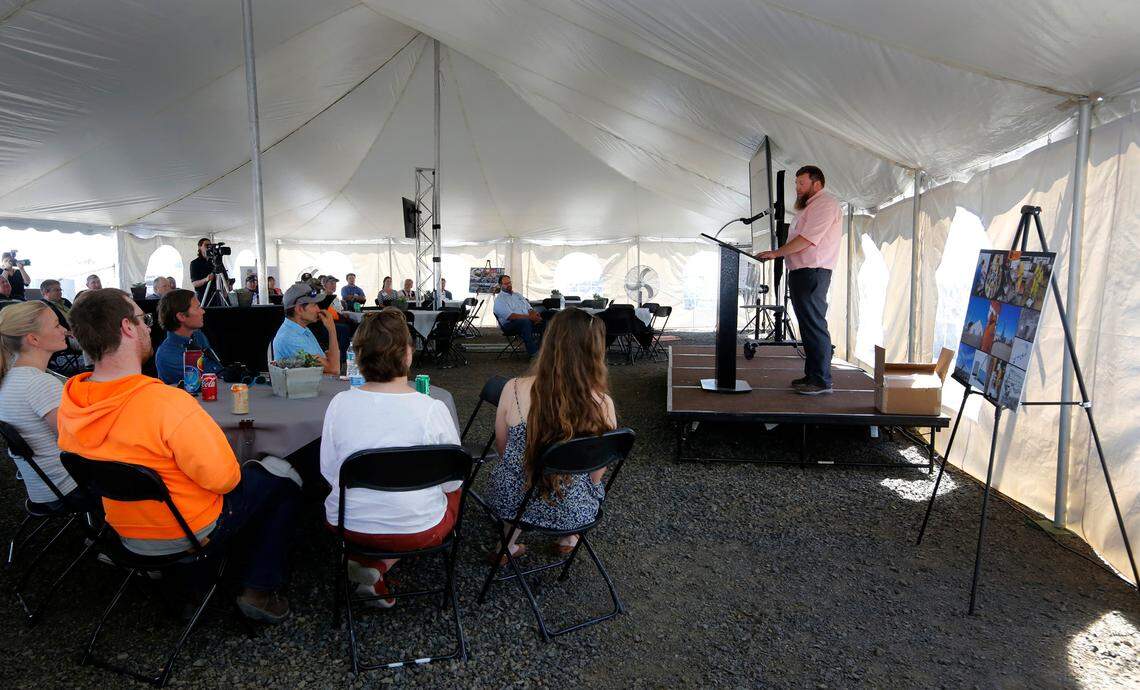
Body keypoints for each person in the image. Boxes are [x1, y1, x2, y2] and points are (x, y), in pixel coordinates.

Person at [56, 290, 302, 621]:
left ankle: (194, 581)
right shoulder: (167, 403)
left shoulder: (71, 400)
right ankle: (258, 588)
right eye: (142, 321)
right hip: (186, 531)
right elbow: (226, 479)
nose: (148, 328)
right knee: (280, 475)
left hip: (121, 534)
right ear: (127, 328)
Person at [320, 309, 461, 606]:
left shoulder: (339, 404)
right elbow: (453, 482)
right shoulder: (432, 409)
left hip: (349, 523)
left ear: (358, 356)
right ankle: (379, 565)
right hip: (418, 529)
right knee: (455, 490)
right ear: (407, 355)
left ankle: (374, 564)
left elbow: (328, 471)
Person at [484, 309, 616, 561]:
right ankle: (568, 538)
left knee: (516, 477)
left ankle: (507, 544)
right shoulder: (602, 403)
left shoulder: (512, 388)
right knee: (578, 485)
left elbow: (504, 449)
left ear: (550, 341)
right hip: (574, 511)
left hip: (511, 503)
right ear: (595, 351)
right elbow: (596, 473)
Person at [755, 165, 842, 395]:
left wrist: (776, 253)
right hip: (802, 272)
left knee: (814, 325)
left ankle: (822, 380)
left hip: (813, 272)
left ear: (817, 184)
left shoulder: (825, 204)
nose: (797, 188)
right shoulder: (809, 207)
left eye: (801, 183)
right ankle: (812, 375)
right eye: (796, 184)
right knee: (808, 326)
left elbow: (807, 239)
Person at [0, 301, 80, 509]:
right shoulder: (39, 383)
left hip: (42, 488)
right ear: (33, 339)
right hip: (68, 487)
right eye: (56, 325)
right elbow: (75, 441)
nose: (64, 329)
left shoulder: (9, 378)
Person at [154, 289, 224, 386]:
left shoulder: (197, 335)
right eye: (197, 308)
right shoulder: (167, 356)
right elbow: (206, 379)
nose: (203, 311)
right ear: (181, 316)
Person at [271, 282, 340, 374]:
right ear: (299, 309)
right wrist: (332, 330)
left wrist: (329, 360)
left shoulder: (301, 329)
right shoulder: (291, 338)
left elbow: (330, 362)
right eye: (314, 305)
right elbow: (334, 369)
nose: (318, 309)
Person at [493, 274, 542, 356]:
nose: (509, 285)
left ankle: (544, 350)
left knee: (545, 322)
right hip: (510, 325)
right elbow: (511, 316)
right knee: (525, 322)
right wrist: (531, 318)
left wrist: (535, 315)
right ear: (500, 285)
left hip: (527, 320)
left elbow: (529, 308)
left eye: (510, 283)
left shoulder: (517, 295)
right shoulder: (500, 300)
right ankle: (533, 353)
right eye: (506, 284)